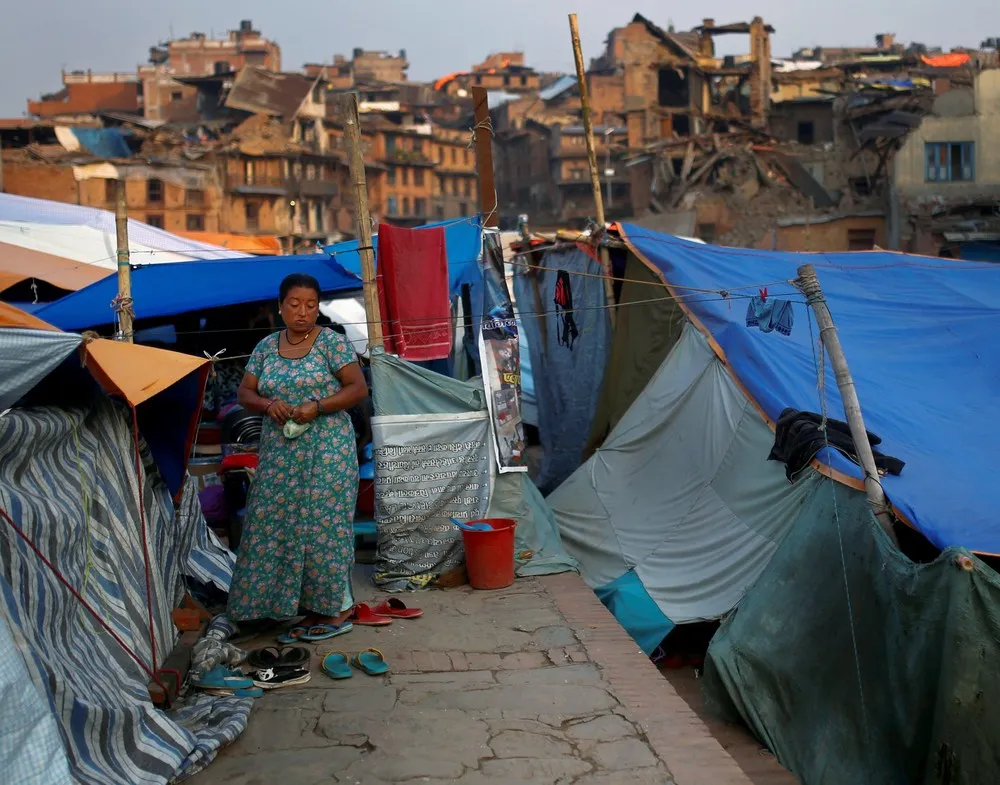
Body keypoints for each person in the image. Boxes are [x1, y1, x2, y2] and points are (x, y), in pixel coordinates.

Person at [227, 273, 369, 641]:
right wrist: (267, 404)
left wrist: (317, 406)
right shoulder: (265, 348)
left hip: (328, 452)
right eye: (294, 304)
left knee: (323, 528)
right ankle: (279, 607)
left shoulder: (332, 344)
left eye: (310, 305)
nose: (302, 312)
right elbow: (245, 393)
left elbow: (358, 389)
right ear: (280, 307)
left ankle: (335, 609)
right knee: (271, 525)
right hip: (279, 455)